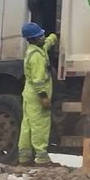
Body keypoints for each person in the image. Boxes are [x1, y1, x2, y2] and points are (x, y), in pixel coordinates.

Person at [18, 22, 58, 165]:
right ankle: (41, 157)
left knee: (27, 125)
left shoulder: (36, 49)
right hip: (37, 96)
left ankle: (24, 157)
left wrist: (54, 37)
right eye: (40, 36)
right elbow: (38, 80)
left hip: (29, 94)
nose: (43, 37)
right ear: (32, 39)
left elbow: (47, 43)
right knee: (40, 125)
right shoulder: (36, 57)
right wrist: (44, 97)